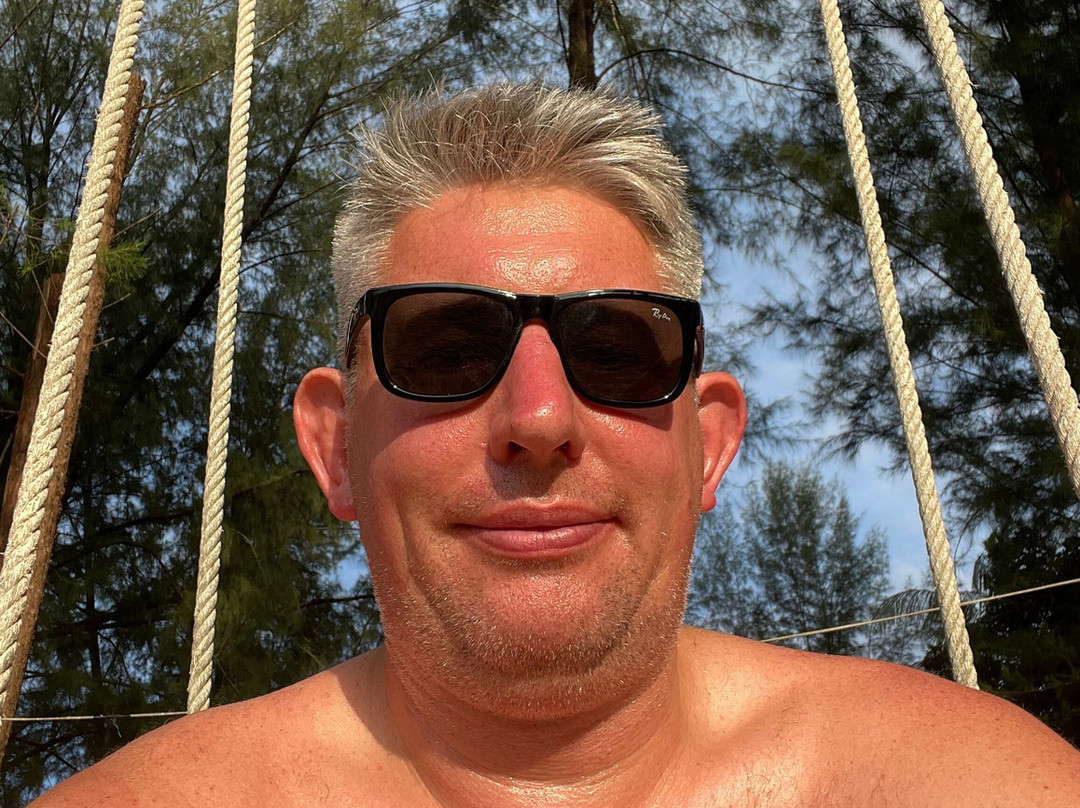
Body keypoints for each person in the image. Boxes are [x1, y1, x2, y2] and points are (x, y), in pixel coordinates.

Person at [33, 83, 1080, 808]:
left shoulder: (972, 783)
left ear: (709, 445)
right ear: (337, 445)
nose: (538, 420)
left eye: (615, 351)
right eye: (448, 350)